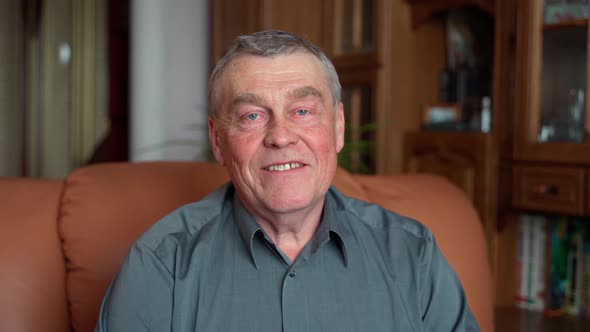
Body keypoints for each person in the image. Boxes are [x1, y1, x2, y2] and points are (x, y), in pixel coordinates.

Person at [96, 30, 480, 331]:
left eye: (302, 111)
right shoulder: (162, 263)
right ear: (218, 140)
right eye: (251, 116)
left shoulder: (412, 255)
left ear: (339, 127)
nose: (281, 136)